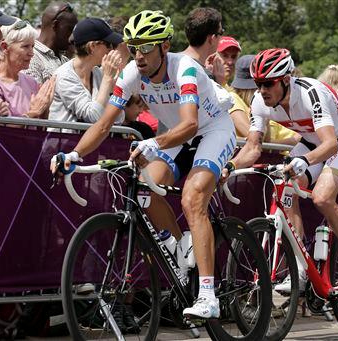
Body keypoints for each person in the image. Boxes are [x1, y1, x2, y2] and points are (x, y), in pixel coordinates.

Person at [51, 10, 236, 320]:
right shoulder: (130, 74)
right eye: (134, 47)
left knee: (193, 197)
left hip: (212, 130)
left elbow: (191, 124)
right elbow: (104, 124)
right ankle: (180, 247)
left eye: (147, 47)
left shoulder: (186, 70)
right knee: (143, 190)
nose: (139, 56)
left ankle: (208, 295)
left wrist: (154, 143)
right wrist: (75, 155)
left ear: (165, 46)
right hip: (176, 136)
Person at [222, 48, 338, 299]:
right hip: (312, 141)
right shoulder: (260, 101)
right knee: (285, 187)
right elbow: (253, 146)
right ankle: (300, 265)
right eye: (258, 84)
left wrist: (304, 160)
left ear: (286, 80)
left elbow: (330, 145)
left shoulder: (312, 93)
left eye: (268, 83)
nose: (262, 90)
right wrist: (230, 167)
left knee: (322, 198)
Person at [48, 18, 124, 129]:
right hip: (64, 144)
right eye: (108, 44)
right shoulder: (65, 76)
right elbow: (93, 117)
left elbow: (119, 118)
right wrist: (107, 79)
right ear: (92, 46)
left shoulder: (98, 73)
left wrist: (112, 87)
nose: (112, 49)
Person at [0, 19, 56, 119]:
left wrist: (45, 105)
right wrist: (33, 113)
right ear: (4, 47)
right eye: (25, 46)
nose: (31, 53)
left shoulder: (32, 82)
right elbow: (6, 130)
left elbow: (40, 127)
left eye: (32, 46)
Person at [24, 2, 78, 84]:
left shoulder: (65, 61)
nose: (72, 37)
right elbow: (33, 95)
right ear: (55, 25)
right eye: (70, 29)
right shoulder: (30, 57)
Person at [182, 7, 224, 81]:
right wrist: (217, 83)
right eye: (221, 32)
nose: (221, 37)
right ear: (212, 39)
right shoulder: (204, 77)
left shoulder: (168, 61)